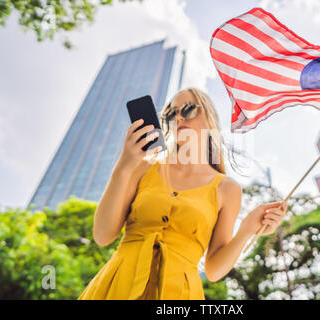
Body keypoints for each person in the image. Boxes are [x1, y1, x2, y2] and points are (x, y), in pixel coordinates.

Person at [78, 87, 287, 300]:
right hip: (117, 286)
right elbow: (102, 235)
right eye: (170, 113)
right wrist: (123, 166)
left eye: (187, 110)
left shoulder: (227, 189)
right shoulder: (143, 167)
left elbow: (214, 270)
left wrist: (247, 230)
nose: (177, 117)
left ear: (210, 118)